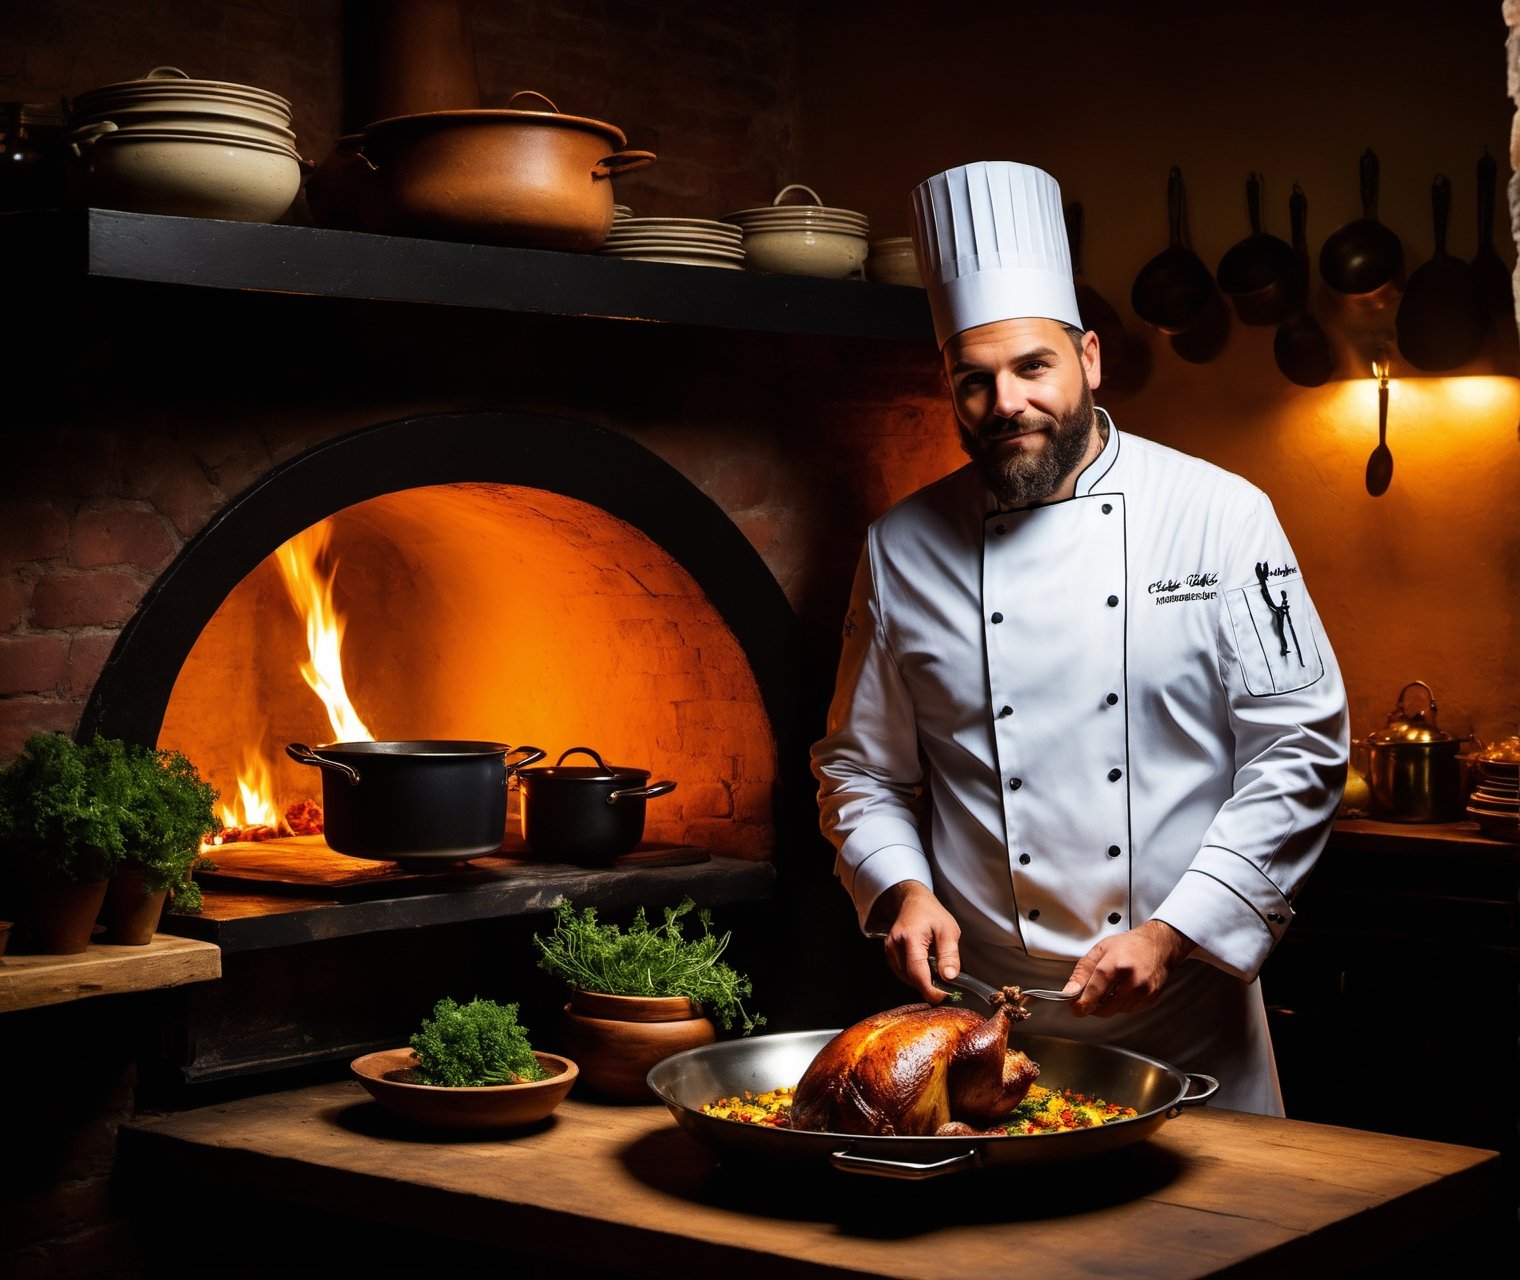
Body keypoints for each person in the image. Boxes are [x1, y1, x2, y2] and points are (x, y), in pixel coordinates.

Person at [811, 160, 1349, 1115]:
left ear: (1090, 359)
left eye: (1032, 367)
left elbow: (1298, 749)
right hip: (978, 1036)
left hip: (1189, 1013)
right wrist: (902, 890)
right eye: (972, 381)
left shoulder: (1220, 516)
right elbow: (861, 769)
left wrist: (1176, 932)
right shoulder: (898, 548)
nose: (1004, 402)